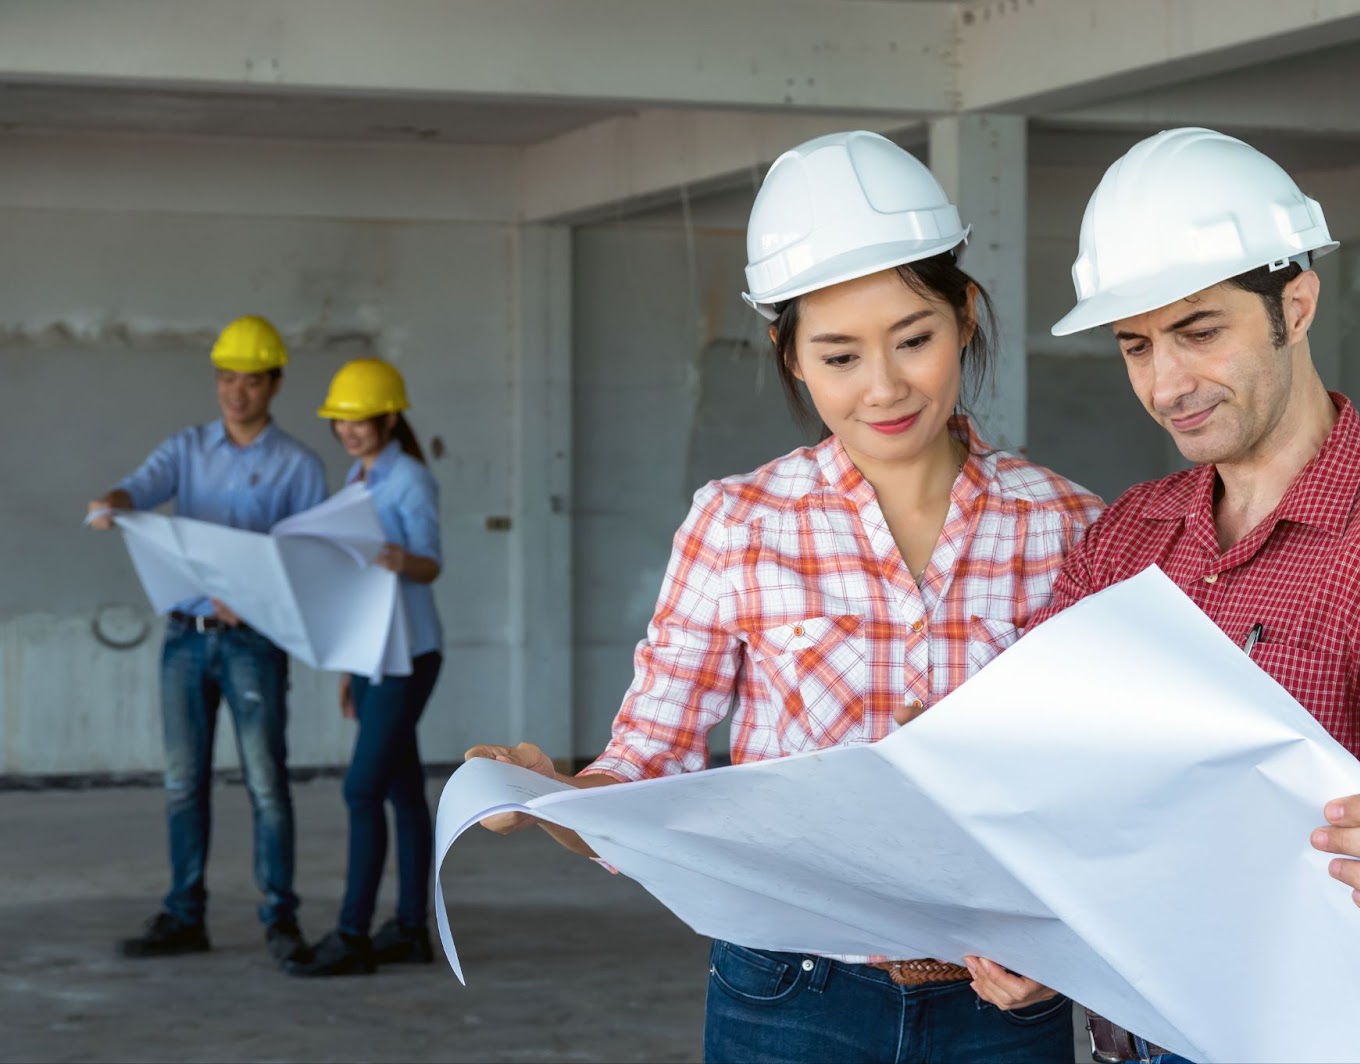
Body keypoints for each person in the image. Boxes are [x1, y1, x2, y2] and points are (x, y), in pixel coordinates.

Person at [466, 130, 1103, 1061]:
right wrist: (556, 794)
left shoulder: (1068, 524)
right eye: (840, 356)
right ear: (791, 355)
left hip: (1005, 1001)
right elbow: (648, 763)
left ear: (965, 316)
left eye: (914, 340)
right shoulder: (738, 522)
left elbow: (1099, 784)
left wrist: (1067, 936)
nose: (884, 387)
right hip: (790, 996)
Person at [961, 128, 1360, 1064]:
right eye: (1136, 346)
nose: (1167, 385)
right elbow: (1047, 768)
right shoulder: (1129, 535)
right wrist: (1039, 930)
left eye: (1200, 332)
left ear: (1296, 302)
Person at [87, 314, 328, 964]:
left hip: (255, 643)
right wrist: (114, 501)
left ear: (274, 384)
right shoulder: (186, 450)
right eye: (225, 378)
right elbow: (140, 488)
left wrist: (251, 597)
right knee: (181, 783)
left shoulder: (298, 467)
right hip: (185, 640)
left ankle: (282, 919)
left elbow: (311, 564)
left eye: (249, 380)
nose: (235, 392)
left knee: (267, 785)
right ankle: (183, 915)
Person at [287, 358, 444, 976]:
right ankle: (408, 930)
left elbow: (430, 564)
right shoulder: (360, 473)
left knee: (362, 789)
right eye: (341, 422)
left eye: (360, 419)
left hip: (410, 654)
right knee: (402, 791)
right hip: (377, 654)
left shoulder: (408, 479)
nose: (350, 431)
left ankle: (351, 936)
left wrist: (393, 557)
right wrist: (353, 667)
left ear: (388, 416)